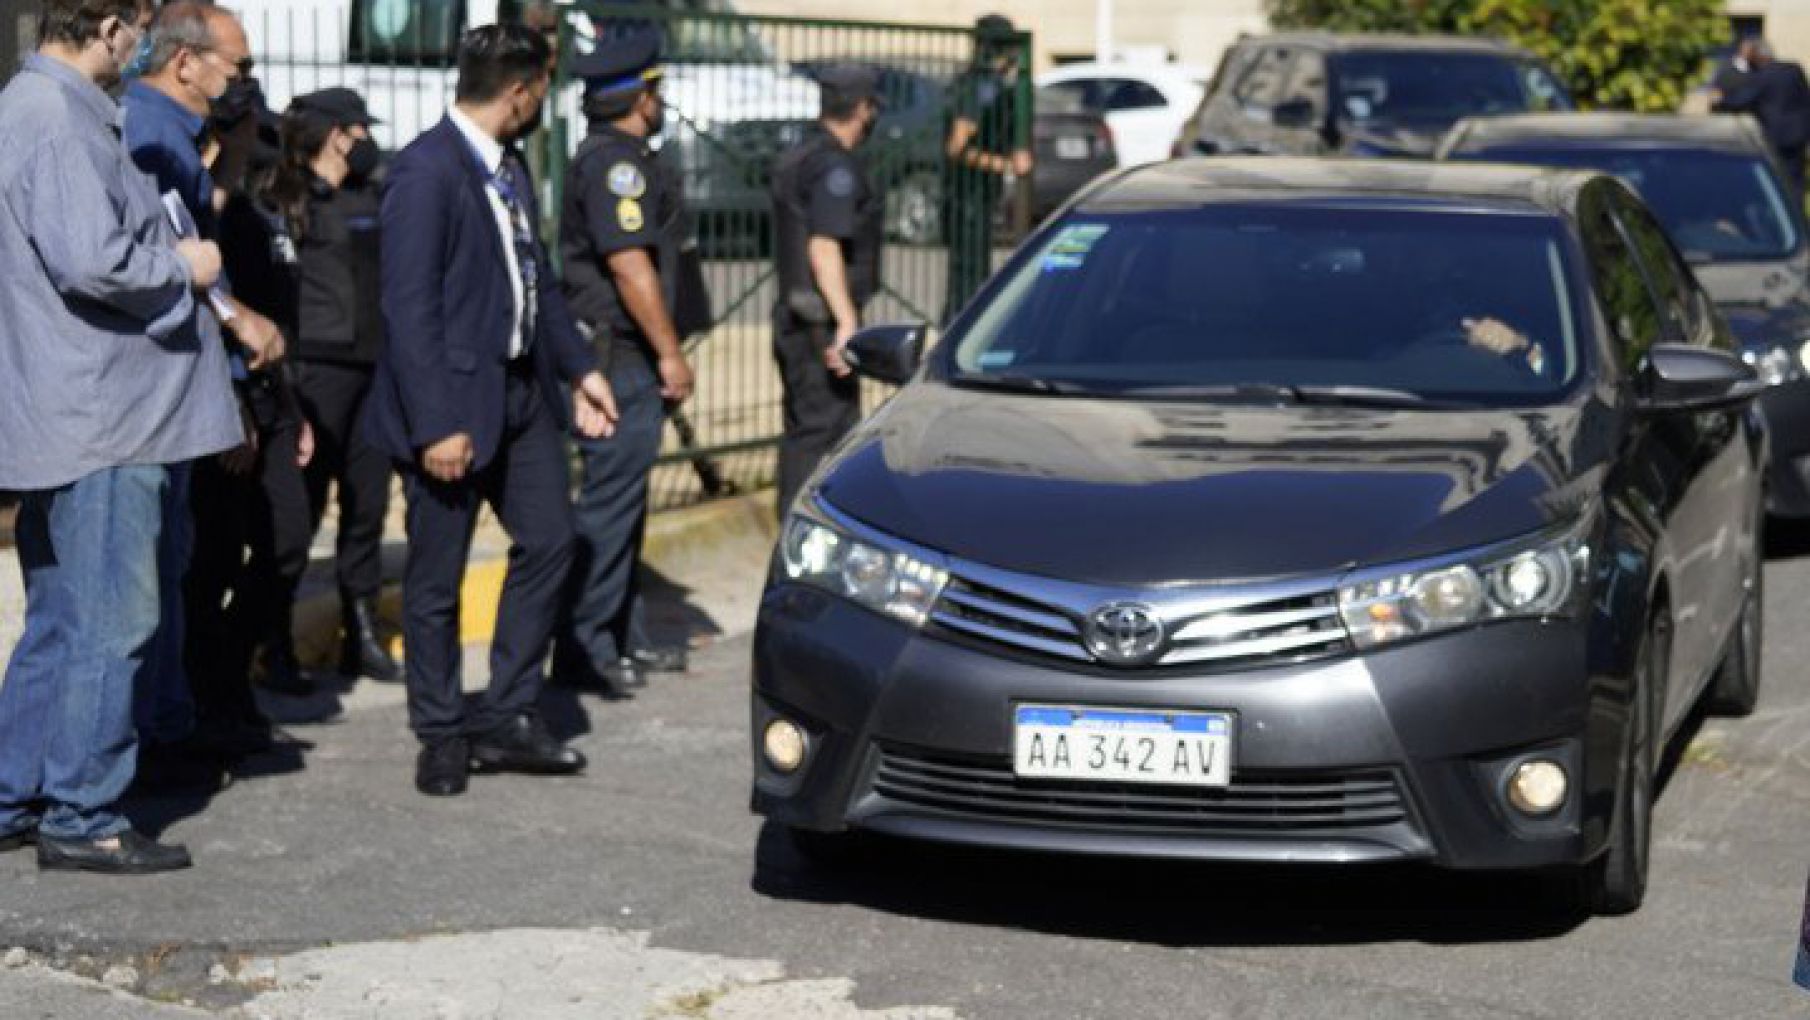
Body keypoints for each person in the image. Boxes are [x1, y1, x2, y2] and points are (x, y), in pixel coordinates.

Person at [0, 0, 239, 873]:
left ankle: (20, 791)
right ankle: (82, 814)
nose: (142, 45)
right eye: (137, 27)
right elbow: (93, 259)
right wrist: (187, 264)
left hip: (74, 412)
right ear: (107, 28)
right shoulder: (56, 119)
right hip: (104, 418)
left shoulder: (38, 110)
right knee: (110, 620)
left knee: (63, 621)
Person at [363, 23, 620, 797]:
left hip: (519, 396)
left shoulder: (507, 168)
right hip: (450, 406)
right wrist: (437, 422)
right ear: (519, 91)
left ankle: (507, 713)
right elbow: (408, 311)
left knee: (550, 540)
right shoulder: (427, 172)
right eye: (542, 87)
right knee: (437, 580)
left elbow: (530, 279)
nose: (545, 99)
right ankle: (441, 733)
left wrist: (579, 371)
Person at [123, 0, 290, 766]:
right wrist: (237, 332)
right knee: (154, 582)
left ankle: (171, 724)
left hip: (183, 387)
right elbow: (180, 261)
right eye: (238, 65)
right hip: (154, 397)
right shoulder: (153, 134)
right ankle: (156, 740)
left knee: (176, 565)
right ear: (187, 62)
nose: (243, 81)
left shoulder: (184, 140)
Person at [553, 31, 696, 695]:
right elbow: (629, 265)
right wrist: (669, 353)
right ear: (640, 96)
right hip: (624, 357)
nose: (661, 100)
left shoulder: (625, 156)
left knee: (626, 507)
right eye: (656, 89)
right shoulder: (617, 167)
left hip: (629, 356)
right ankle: (583, 649)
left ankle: (619, 634)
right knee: (608, 509)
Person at [275, 87, 400, 685]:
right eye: (357, 130)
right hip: (316, 372)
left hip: (372, 369)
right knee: (302, 507)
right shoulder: (288, 198)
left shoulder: (370, 194)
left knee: (367, 505)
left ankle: (363, 633)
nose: (365, 142)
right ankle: (275, 642)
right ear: (333, 133)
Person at [211, 101, 329, 701]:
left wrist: (291, 406)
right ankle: (220, 691)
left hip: (274, 401)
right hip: (234, 409)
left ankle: (230, 672)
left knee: (287, 539)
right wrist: (232, 405)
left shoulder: (266, 213)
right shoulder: (220, 216)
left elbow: (275, 326)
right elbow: (215, 319)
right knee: (220, 556)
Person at [769, 63, 885, 515]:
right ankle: (805, 535)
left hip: (799, 319)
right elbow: (823, 246)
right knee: (824, 434)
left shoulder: (802, 155)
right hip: (820, 324)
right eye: (872, 106)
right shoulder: (834, 167)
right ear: (861, 109)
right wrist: (846, 322)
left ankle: (799, 528)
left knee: (807, 432)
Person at [941, 13, 1032, 323]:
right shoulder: (978, 87)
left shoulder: (989, 85)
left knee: (974, 280)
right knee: (967, 285)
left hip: (978, 197)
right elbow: (957, 147)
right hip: (966, 198)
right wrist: (1005, 164)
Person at [1713, 36, 1810, 193]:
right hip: (1798, 136)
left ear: (1757, 56)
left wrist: (1718, 103)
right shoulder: (1794, 69)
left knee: (1773, 181)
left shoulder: (1762, 76)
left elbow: (1741, 101)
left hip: (1774, 137)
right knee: (1796, 182)